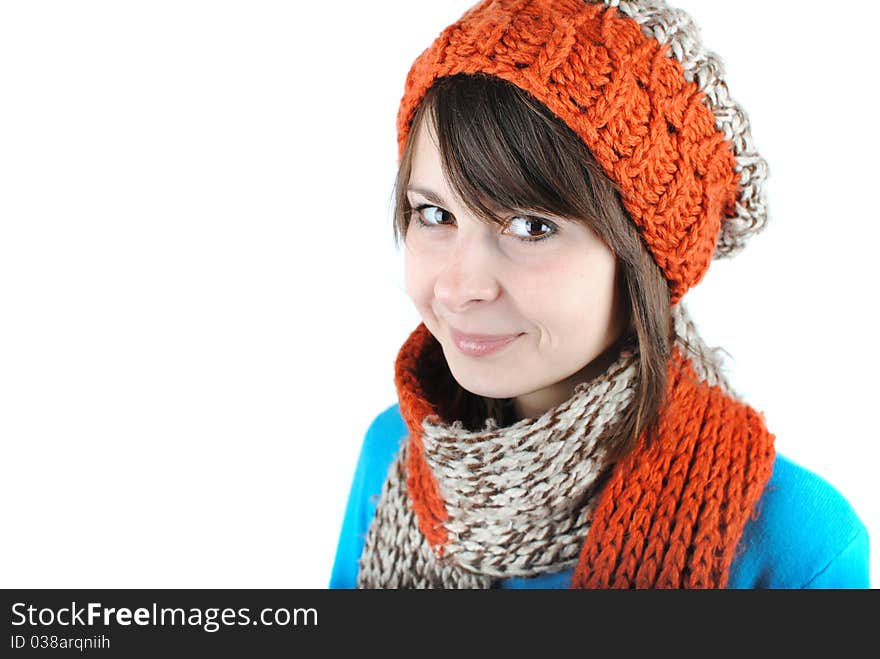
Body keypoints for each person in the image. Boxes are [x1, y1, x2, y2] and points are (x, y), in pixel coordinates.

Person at [330, 0, 870, 588]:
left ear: (643, 258)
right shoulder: (396, 456)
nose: (461, 287)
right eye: (434, 213)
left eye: (532, 227)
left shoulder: (797, 545)